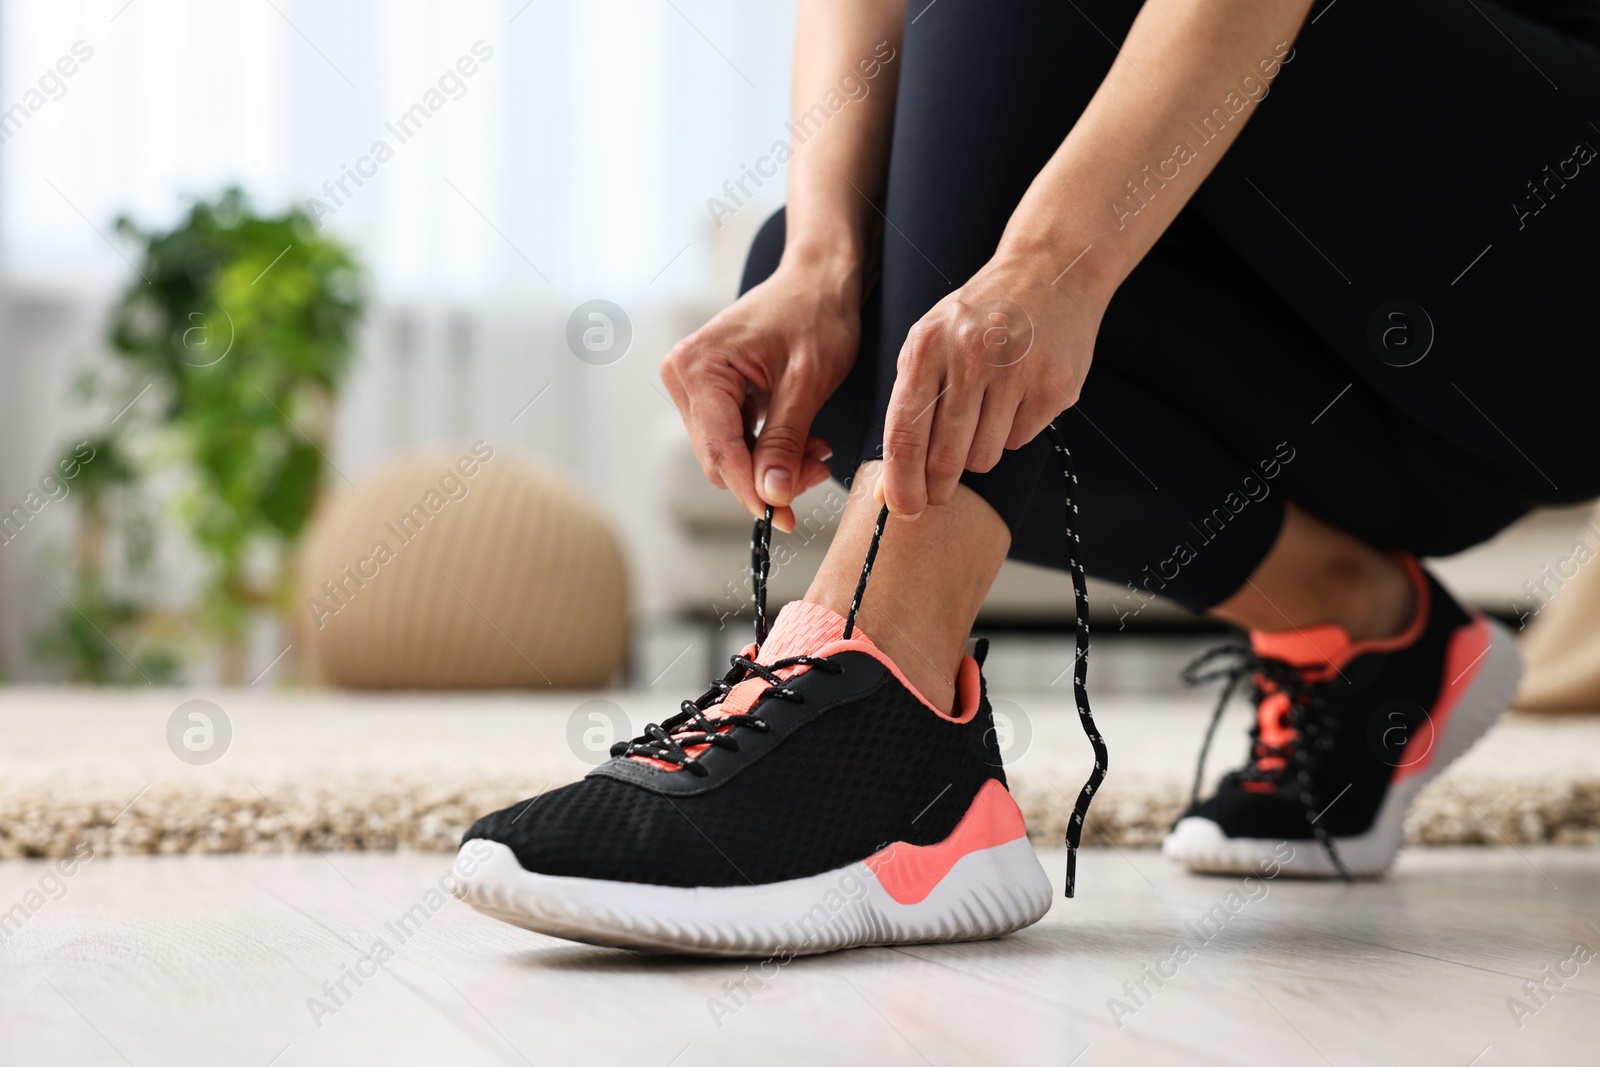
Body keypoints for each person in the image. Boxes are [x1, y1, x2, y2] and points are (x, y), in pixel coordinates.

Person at [452, 0, 1600, 954]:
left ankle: (890, 715)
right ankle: (1362, 626)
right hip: (1379, 380)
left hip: (1547, 271)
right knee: (863, 316)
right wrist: (821, 258)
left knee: (955, 289)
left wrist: (1052, 263)